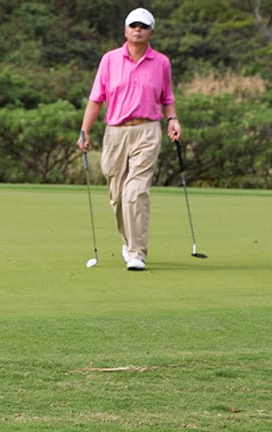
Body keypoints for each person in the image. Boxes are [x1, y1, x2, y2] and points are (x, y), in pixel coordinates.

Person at [77, 7, 182, 271]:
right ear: (125, 30)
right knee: (117, 196)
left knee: (136, 192)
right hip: (115, 132)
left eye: (143, 26)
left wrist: (173, 120)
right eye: (133, 25)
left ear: (151, 32)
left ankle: (137, 252)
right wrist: (84, 131)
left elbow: (167, 98)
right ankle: (128, 240)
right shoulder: (110, 60)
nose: (138, 29)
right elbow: (96, 99)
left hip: (147, 131)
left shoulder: (161, 62)